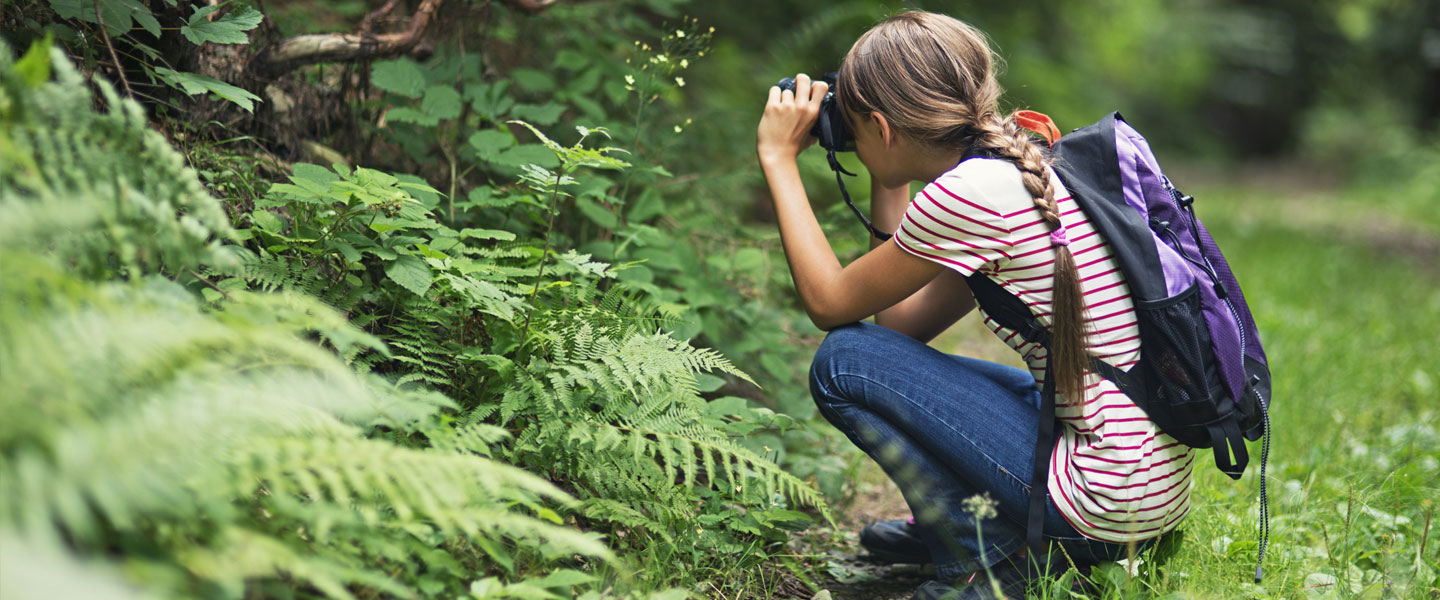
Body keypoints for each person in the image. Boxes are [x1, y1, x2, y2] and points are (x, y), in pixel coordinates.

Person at [755, 11, 1191, 600]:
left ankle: (986, 556)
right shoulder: (1016, 168)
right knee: (879, 359)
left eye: (855, 131)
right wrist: (889, 174)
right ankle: (993, 529)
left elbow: (831, 306)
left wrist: (779, 160)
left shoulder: (970, 197)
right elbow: (902, 329)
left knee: (843, 362)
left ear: (882, 128)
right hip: (1146, 489)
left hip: (1106, 498)